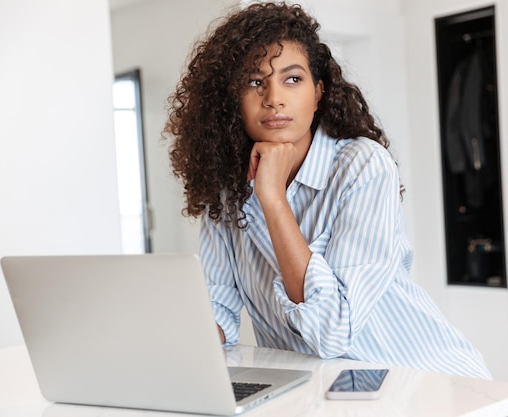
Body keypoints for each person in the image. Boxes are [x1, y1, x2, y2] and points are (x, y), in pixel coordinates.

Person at [164, 1, 491, 379]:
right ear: (231, 101)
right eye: (254, 82)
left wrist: (272, 200)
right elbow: (218, 306)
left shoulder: (361, 166)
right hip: (321, 391)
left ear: (318, 93)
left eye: (292, 79)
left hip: (422, 382)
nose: (274, 98)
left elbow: (332, 331)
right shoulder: (228, 190)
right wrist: (171, 338)